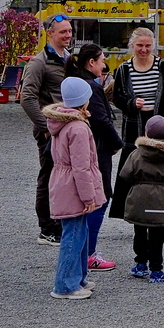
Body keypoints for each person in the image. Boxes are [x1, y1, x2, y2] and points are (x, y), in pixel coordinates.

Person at [45, 76, 106, 299]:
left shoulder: (62, 122)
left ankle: (78, 278)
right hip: (74, 184)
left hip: (63, 181)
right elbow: (81, 167)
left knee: (79, 232)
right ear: (84, 101)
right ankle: (65, 285)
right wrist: (89, 196)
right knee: (73, 236)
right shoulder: (78, 128)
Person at [65, 42, 120, 273]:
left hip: (87, 148)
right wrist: (117, 142)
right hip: (97, 149)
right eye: (102, 59)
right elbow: (100, 120)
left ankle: (82, 251)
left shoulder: (77, 82)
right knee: (100, 197)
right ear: (91, 62)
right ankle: (89, 252)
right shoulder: (91, 88)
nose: (104, 64)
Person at [21, 15, 74, 244]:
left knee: (64, 177)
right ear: (49, 33)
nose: (68, 35)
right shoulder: (39, 62)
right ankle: (47, 228)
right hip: (50, 131)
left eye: (70, 30)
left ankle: (61, 222)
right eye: (63, 31)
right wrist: (46, 126)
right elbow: (26, 97)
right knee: (49, 176)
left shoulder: (69, 59)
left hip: (69, 129)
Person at [117, 115, 164, 281]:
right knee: (158, 236)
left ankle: (140, 264)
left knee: (139, 231)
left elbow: (125, 174)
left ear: (146, 132)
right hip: (162, 198)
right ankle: (156, 269)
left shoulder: (137, 153)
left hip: (140, 196)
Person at [110, 26, 164, 173]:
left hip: (160, 125)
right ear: (132, 45)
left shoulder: (163, 66)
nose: (144, 49)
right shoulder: (123, 69)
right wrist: (131, 103)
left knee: (161, 171)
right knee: (130, 171)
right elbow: (116, 98)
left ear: (153, 46)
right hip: (133, 126)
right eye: (140, 45)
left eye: (148, 46)